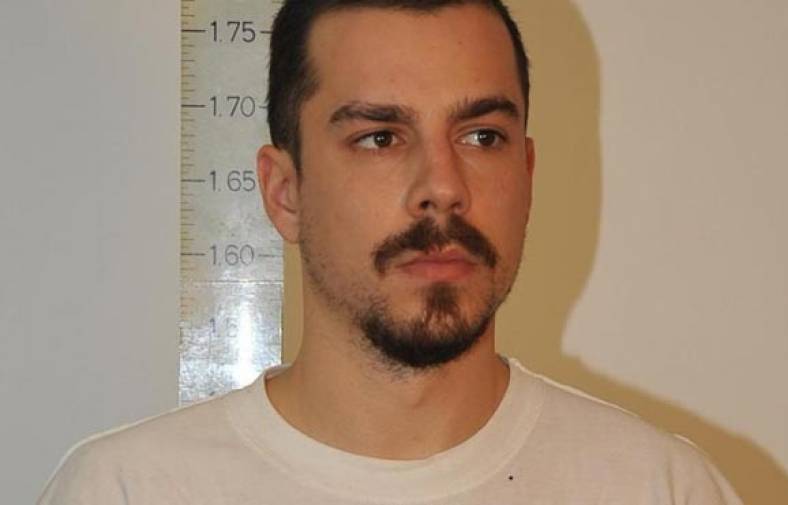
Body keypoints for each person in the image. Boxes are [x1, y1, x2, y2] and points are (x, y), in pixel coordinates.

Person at [39, 1, 743, 503]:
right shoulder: (126, 490)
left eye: (482, 137)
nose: (444, 188)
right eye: (380, 138)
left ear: (527, 176)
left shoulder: (657, 488)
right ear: (285, 192)